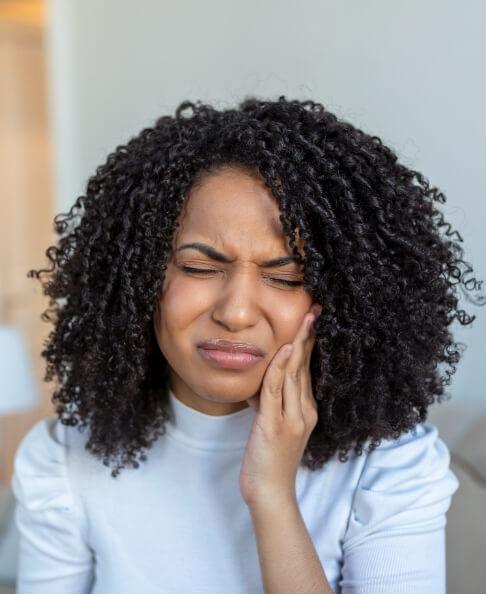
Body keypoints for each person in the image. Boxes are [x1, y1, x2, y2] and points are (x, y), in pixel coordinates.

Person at [11, 96, 478, 593]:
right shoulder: (62, 461)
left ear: (345, 299)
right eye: (199, 268)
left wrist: (273, 495)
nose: (235, 312)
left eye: (286, 277)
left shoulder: (390, 466)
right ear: (140, 278)